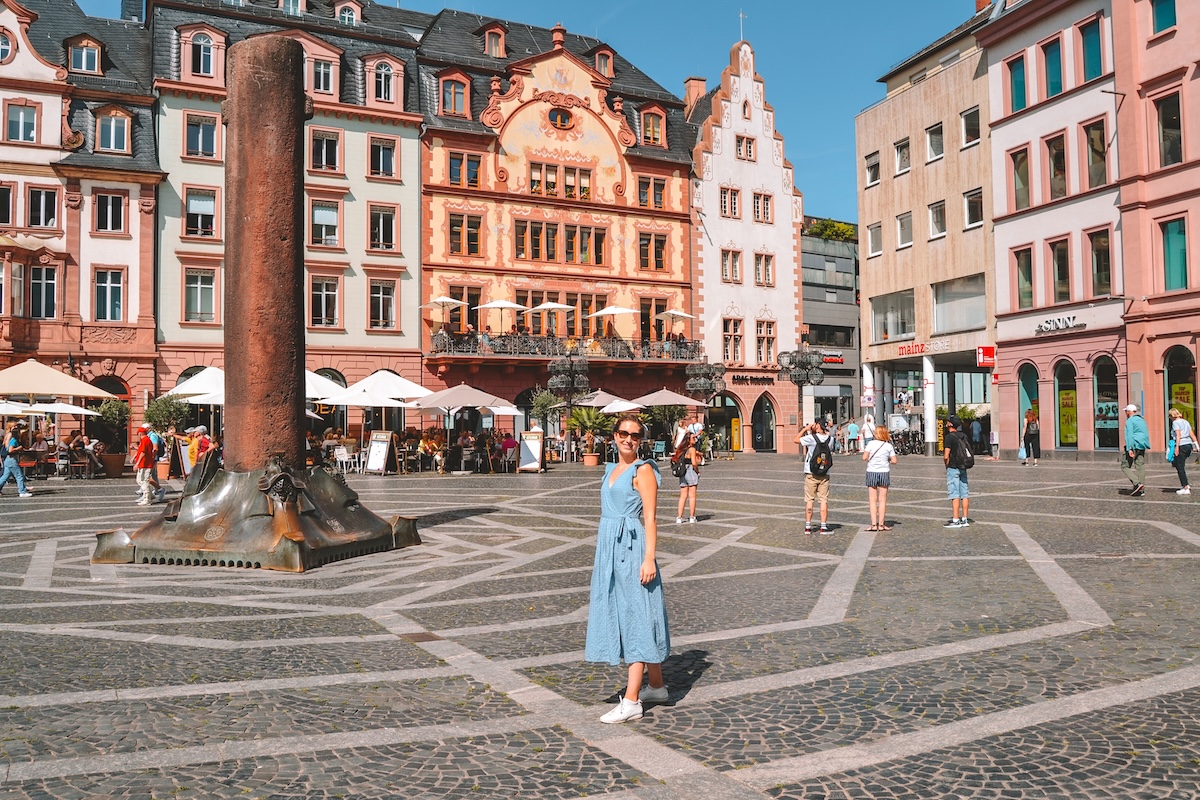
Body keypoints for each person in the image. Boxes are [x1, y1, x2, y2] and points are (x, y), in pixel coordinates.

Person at [585, 413, 669, 724]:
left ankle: (632, 700)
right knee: (630, 612)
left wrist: (649, 558)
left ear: (641, 439)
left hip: (632, 549)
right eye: (623, 433)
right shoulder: (612, 469)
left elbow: (650, 518)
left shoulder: (642, 470)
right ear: (614, 435)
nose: (628, 439)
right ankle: (657, 685)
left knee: (636, 615)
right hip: (610, 548)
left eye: (635, 435)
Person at [795, 420, 833, 534]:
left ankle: (808, 526)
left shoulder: (811, 438)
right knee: (823, 500)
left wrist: (805, 430)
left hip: (811, 472)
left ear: (817, 425)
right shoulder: (831, 439)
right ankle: (823, 526)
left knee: (810, 499)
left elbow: (796, 440)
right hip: (824, 473)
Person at [862, 424, 897, 531]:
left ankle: (873, 524)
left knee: (872, 500)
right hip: (884, 472)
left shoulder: (870, 444)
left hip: (872, 472)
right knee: (883, 500)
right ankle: (881, 525)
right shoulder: (888, 446)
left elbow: (864, 458)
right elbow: (894, 461)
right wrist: (887, 460)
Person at [943, 415, 972, 528]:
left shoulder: (949, 437)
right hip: (963, 466)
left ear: (950, 424)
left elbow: (946, 456)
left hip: (953, 467)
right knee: (964, 493)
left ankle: (955, 520)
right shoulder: (964, 436)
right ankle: (964, 519)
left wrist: (946, 465)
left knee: (954, 493)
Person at [1121, 403, 1150, 496]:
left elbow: (1129, 435)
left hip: (1134, 444)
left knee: (1125, 466)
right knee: (1140, 466)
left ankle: (1137, 483)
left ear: (1129, 412)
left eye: (1126, 411)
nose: (1126, 413)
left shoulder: (1130, 421)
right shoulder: (1141, 420)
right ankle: (1141, 490)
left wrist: (1130, 448)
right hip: (1142, 445)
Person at [672, 432, 701, 524]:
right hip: (690, 471)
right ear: (688, 439)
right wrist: (697, 471)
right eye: (693, 438)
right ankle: (692, 517)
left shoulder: (681, 449)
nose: (695, 439)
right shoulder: (692, 449)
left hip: (683, 472)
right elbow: (694, 463)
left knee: (683, 496)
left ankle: (679, 517)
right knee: (692, 496)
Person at [0, 422, 34, 497]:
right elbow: (10, 450)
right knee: (19, 476)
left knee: (5, 476)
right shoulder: (13, 440)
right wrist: (19, 448)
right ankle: (22, 492)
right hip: (12, 460)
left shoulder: (10, 438)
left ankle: (23, 489)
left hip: (8, 460)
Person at [1169, 408, 1194, 495]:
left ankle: (1185, 487)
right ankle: (1185, 484)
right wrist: (1196, 444)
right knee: (1178, 464)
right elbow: (1191, 434)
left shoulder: (1175, 423)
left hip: (1181, 444)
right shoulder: (1185, 421)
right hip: (1188, 444)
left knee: (1180, 467)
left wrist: (1177, 447)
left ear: (1172, 416)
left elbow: (1178, 435)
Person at [133, 423, 158, 506]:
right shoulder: (146, 440)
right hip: (144, 464)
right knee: (140, 480)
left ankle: (147, 499)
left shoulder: (145, 440)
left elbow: (143, 453)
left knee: (144, 481)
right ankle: (150, 495)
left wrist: (137, 463)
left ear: (140, 433)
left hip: (145, 464)